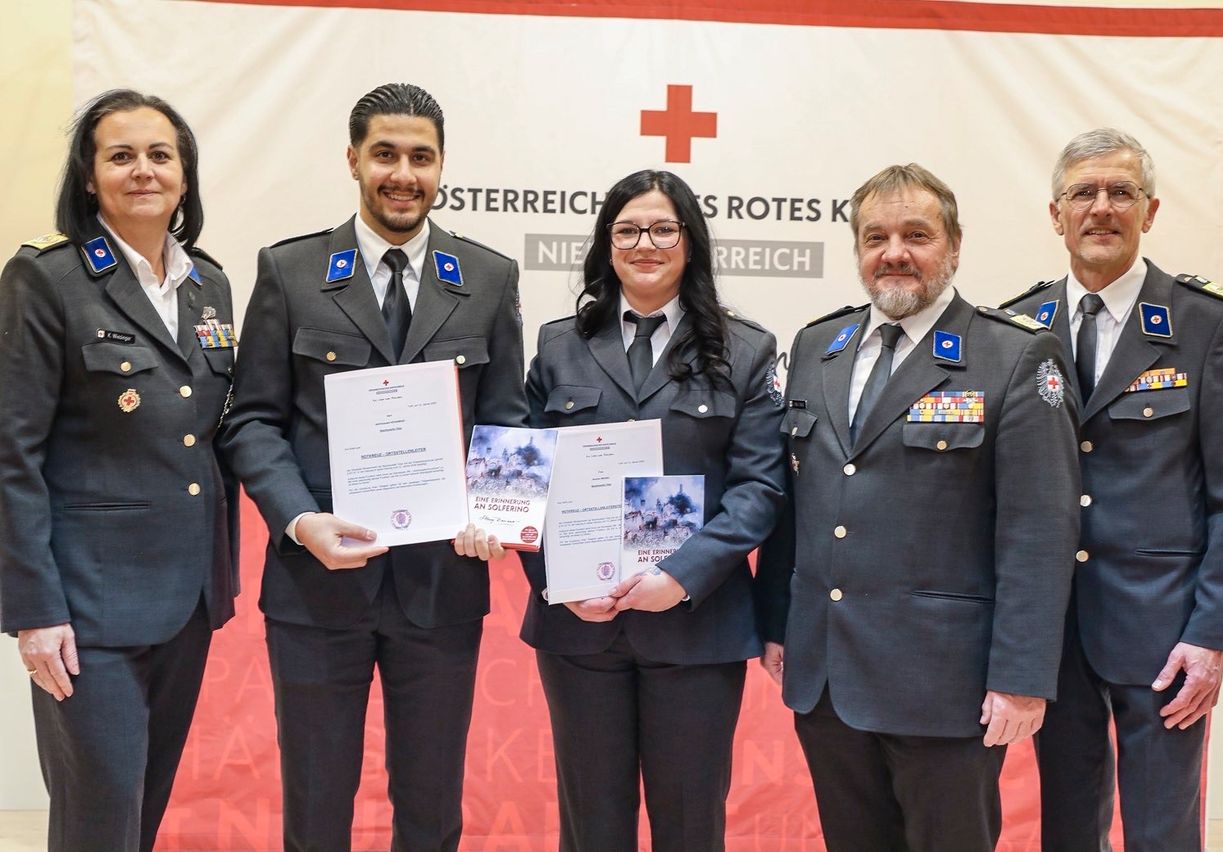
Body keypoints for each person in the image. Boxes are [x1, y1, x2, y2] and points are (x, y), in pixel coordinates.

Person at [218, 82, 526, 851]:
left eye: (421, 157)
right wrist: (300, 520)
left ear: (442, 166)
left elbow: (508, 422)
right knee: (316, 807)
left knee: (431, 809)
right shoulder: (291, 273)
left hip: (441, 587)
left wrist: (496, 513)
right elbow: (253, 420)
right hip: (317, 585)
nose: (403, 173)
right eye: (385, 154)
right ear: (353, 160)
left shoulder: (487, 279)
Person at [755, 164, 1081, 852]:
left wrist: (1022, 678)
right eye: (875, 237)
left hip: (945, 686)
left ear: (954, 246)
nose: (894, 253)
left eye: (916, 235)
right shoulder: (820, 346)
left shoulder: (1014, 354)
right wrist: (777, 624)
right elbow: (800, 500)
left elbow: (1040, 530)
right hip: (828, 675)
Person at [1000, 128, 1223, 852]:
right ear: (1056, 215)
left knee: (1162, 829)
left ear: (1150, 211)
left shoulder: (1208, 322)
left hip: (1164, 633)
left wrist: (1213, 635)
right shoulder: (1017, 328)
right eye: (1083, 193)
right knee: (1067, 827)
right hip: (1053, 630)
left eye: (1122, 192)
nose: (1102, 207)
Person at [519, 169, 786, 852]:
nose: (646, 243)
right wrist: (562, 580)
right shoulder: (557, 345)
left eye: (664, 228)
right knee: (591, 827)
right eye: (628, 229)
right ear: (607, 244)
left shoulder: (747, 350)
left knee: (691, 827)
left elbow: (759, 489)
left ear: (689, 241)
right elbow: (523, 484)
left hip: (697, 628)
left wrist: (682, 576)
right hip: (581, 628)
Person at [0, 89, 237, 852]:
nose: (144, 170)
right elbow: (13, 452)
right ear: (90, 174)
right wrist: (33, 610)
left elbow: (213, 434)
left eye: (161, 155)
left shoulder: (210, 284)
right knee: (98, 823)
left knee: (142, 813)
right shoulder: (47, 278)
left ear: (185, 176)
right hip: (86, 611)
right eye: (121, 155)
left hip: (187, 599)